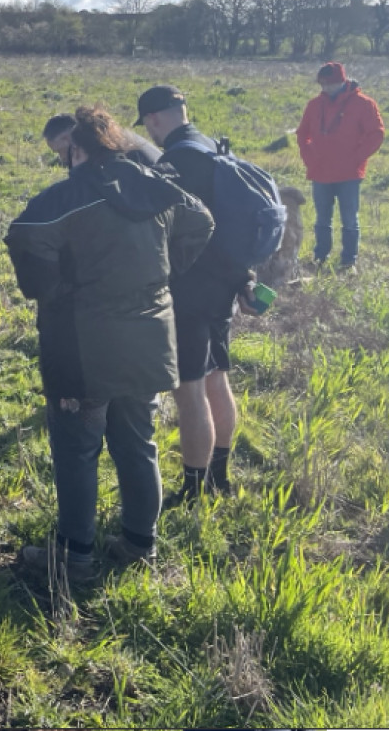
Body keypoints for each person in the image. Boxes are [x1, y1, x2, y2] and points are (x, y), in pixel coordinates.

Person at [8, 106, 214, 578]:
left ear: (78, 149)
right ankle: (142, 544)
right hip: (148, 339)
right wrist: (164, 275)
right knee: (138, 441)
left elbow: (22, 239)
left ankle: (74, 554)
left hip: (82, 347)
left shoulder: (64, 198)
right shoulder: (159, 187)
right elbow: (201, 222)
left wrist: (56, 290)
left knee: (78, 449)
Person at [134, 85, 257, 506]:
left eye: (147, 125)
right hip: (225, 283)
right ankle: (220, 475)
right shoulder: (212, 146)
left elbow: (167, 229)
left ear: (153, 119)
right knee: (217, 379)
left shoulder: (178, 159)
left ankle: (193, 488)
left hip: (191, 289)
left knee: (189, 392)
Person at [296, 61, 384, 273]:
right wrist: (310, 159)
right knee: (322, 219)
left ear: (342, 81)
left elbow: (377, 134)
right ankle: (320, 256)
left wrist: (357, 157)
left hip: (349, 173)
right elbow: (302, 134)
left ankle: (348, 261)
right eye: (322, 84)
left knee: (349, 219)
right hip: (321, 171)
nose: (325, 88)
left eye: (330, 84)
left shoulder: (364, 104)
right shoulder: (314, 105)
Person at [44, 111, 161, 169]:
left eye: (60, 151)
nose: (62, 158)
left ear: (67, 138)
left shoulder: (104, 147)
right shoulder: (112, 135)